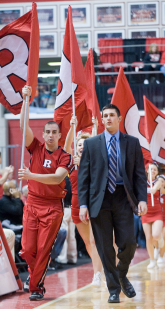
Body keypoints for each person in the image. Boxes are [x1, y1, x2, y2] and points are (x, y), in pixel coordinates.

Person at [78, 104, 147, 303]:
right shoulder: (91, 144)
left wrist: (142, 199)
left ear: (119, 117)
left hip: (122, 197)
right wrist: (83, 204)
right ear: (102, 119)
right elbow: (84, 178)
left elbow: (139, 175)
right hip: (98, 201)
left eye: (111, 115)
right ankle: (114, 290)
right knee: (105, 248)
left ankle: (121, 274)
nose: (108, 118)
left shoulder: (132, 143)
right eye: (105, 115)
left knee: (129, 243)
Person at [18, 85, 73, 301]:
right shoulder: (36, 147)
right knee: (27, 248)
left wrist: (30, 176)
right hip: (32, 203)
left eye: (54, 132)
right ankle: (33, 277)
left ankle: (36, 288)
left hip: (52, 207)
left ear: (59, 135)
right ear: (43, 134)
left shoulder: (65, 156)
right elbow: (23, 125)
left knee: (43, 249)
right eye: (47, 132)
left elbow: (58, 178)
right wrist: (25, 99)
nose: (50, 135)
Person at [64, 116, 104, 288]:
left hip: (94, 205)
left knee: (96, 241)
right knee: (88, 243)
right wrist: (72, 127)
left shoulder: (96, 162)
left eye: (84, 144)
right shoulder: (71, 163)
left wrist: (95, 128)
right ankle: (99, 270)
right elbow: (66, 148)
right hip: (75, 206)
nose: (81, 146)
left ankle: (98, 274)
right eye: (79, 144)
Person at [142, 163, 165, 269]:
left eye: (155, 170)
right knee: (148, 238)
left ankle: (160, 239)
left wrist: (155, 188)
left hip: (157, 212)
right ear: (147, 170)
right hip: (146, 213)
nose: (153, 171)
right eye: (151, 169)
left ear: (157, 172)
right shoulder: (142, 181)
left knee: (156, 235)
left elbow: (159, 184)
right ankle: (152, 260)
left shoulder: (159, 180)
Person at [56, 175, 78, 266]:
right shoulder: (73, 179)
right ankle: (72, 257)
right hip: (72, 208)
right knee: (72, 235)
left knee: (63, 233)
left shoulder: (61, 180)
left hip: (64, 208)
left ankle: (62, 258)